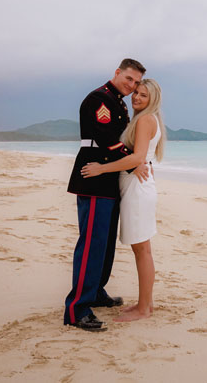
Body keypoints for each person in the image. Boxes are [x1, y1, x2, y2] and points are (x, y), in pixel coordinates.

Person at [63, 58, 150, 332]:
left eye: (136, 83)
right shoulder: (100, 99)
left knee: (105, 243)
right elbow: (108, 141)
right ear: (117, 73)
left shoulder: (119, 103)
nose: (132, 85)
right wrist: (135, 161)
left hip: (108, 179)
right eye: (129, 79)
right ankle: (77, 308)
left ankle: (96, 291)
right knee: (91, 245)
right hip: (94, 176)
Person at [81, 78, 165, 322]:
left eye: (143, 95)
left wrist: (101, 169)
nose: (136, 97)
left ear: (153, 100)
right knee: (143, 249)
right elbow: (140, 158)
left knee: (142, 250)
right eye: (136, 93)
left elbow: (136, 158)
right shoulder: (146, 119)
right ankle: (145, 305)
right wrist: (137, 163)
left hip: (137, 189)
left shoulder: (145, 120)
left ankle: (144, 309)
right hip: (138, 186)